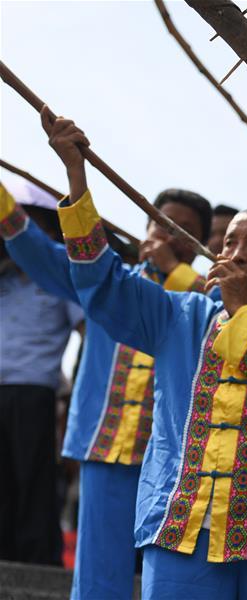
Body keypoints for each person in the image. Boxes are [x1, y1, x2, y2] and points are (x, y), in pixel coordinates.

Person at [43, 102, 247, 598]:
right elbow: (103, 285)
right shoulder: (178, 314)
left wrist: (241, 313)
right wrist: (76, 175)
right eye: (229, 243)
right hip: (181, 528)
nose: (237, 253)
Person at [2, 127, 210, 597]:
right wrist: (68, 173)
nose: (170, 237)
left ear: (199, 245)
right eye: (163, 225)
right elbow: (41, 252)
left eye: (184, 232)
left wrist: (175, 272)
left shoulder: (208, 300)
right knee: (98, 575)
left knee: (173, 576)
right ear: (146, 229)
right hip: (106, 444)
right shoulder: (105, 280)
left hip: (176, 457)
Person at [0, 179, 84, 567]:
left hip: (35, 391)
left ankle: (37, 565)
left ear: (49, 234)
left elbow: (87, 333)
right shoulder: (4, 280)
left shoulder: (59, 279)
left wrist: (79, 401)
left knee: (33, 478)